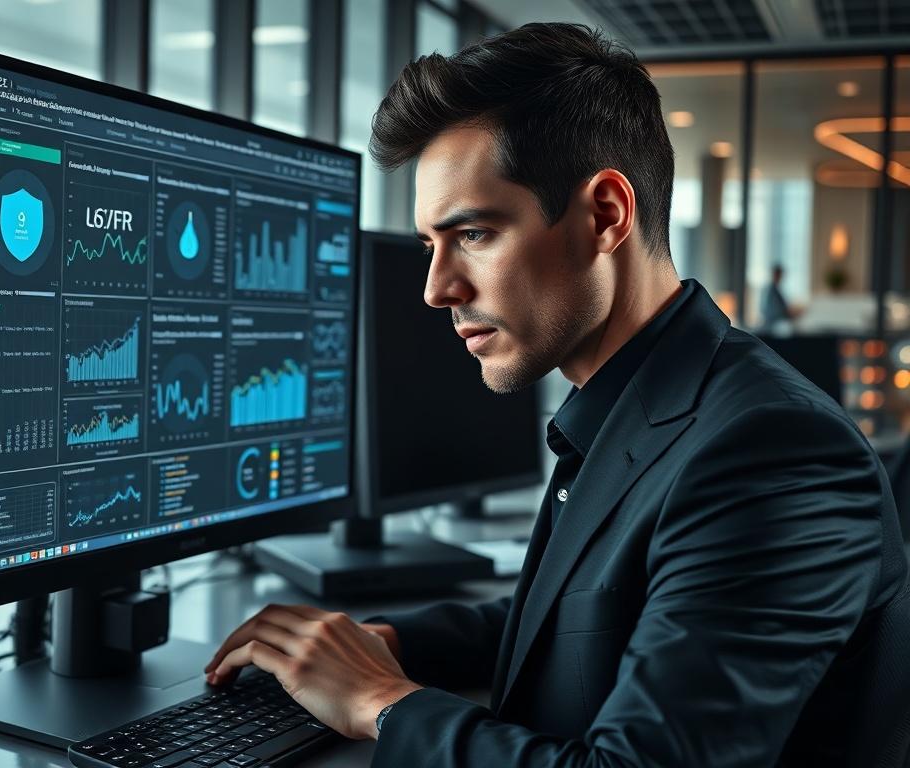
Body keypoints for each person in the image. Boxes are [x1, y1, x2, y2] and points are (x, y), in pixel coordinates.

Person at [205, 23, 910, 766]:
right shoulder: (647, 402)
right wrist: (396, 643)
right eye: (429, 246)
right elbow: (596, 609)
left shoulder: (770, 449)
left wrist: (379, 703)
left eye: (473, 234)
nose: (437, 288)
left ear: (606, 214)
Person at [760, 263, 800, 333]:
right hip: (774, 327)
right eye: (779, 275)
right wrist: (790, 314)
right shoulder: (771, 291)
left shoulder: (773, 290)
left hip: (774, 326)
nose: (780, 277)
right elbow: (777, 311)